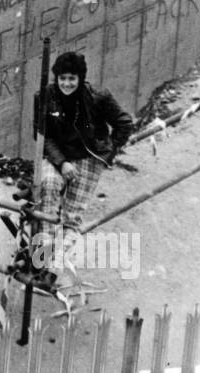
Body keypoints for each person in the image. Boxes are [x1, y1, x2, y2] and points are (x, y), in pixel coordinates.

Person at [37, 51, 133, 236]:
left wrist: (107, 153)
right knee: (48, 192)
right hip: (56, 157)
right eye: (62, 78)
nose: (66, 83)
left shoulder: (99, 97)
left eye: (71, 78)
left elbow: (124, 123)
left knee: (71, 217)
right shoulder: (44, 97)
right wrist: (62, 162)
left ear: (80, 78)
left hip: (87, 158)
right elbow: (43, 135)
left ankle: (58, 261)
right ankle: (44, 258)